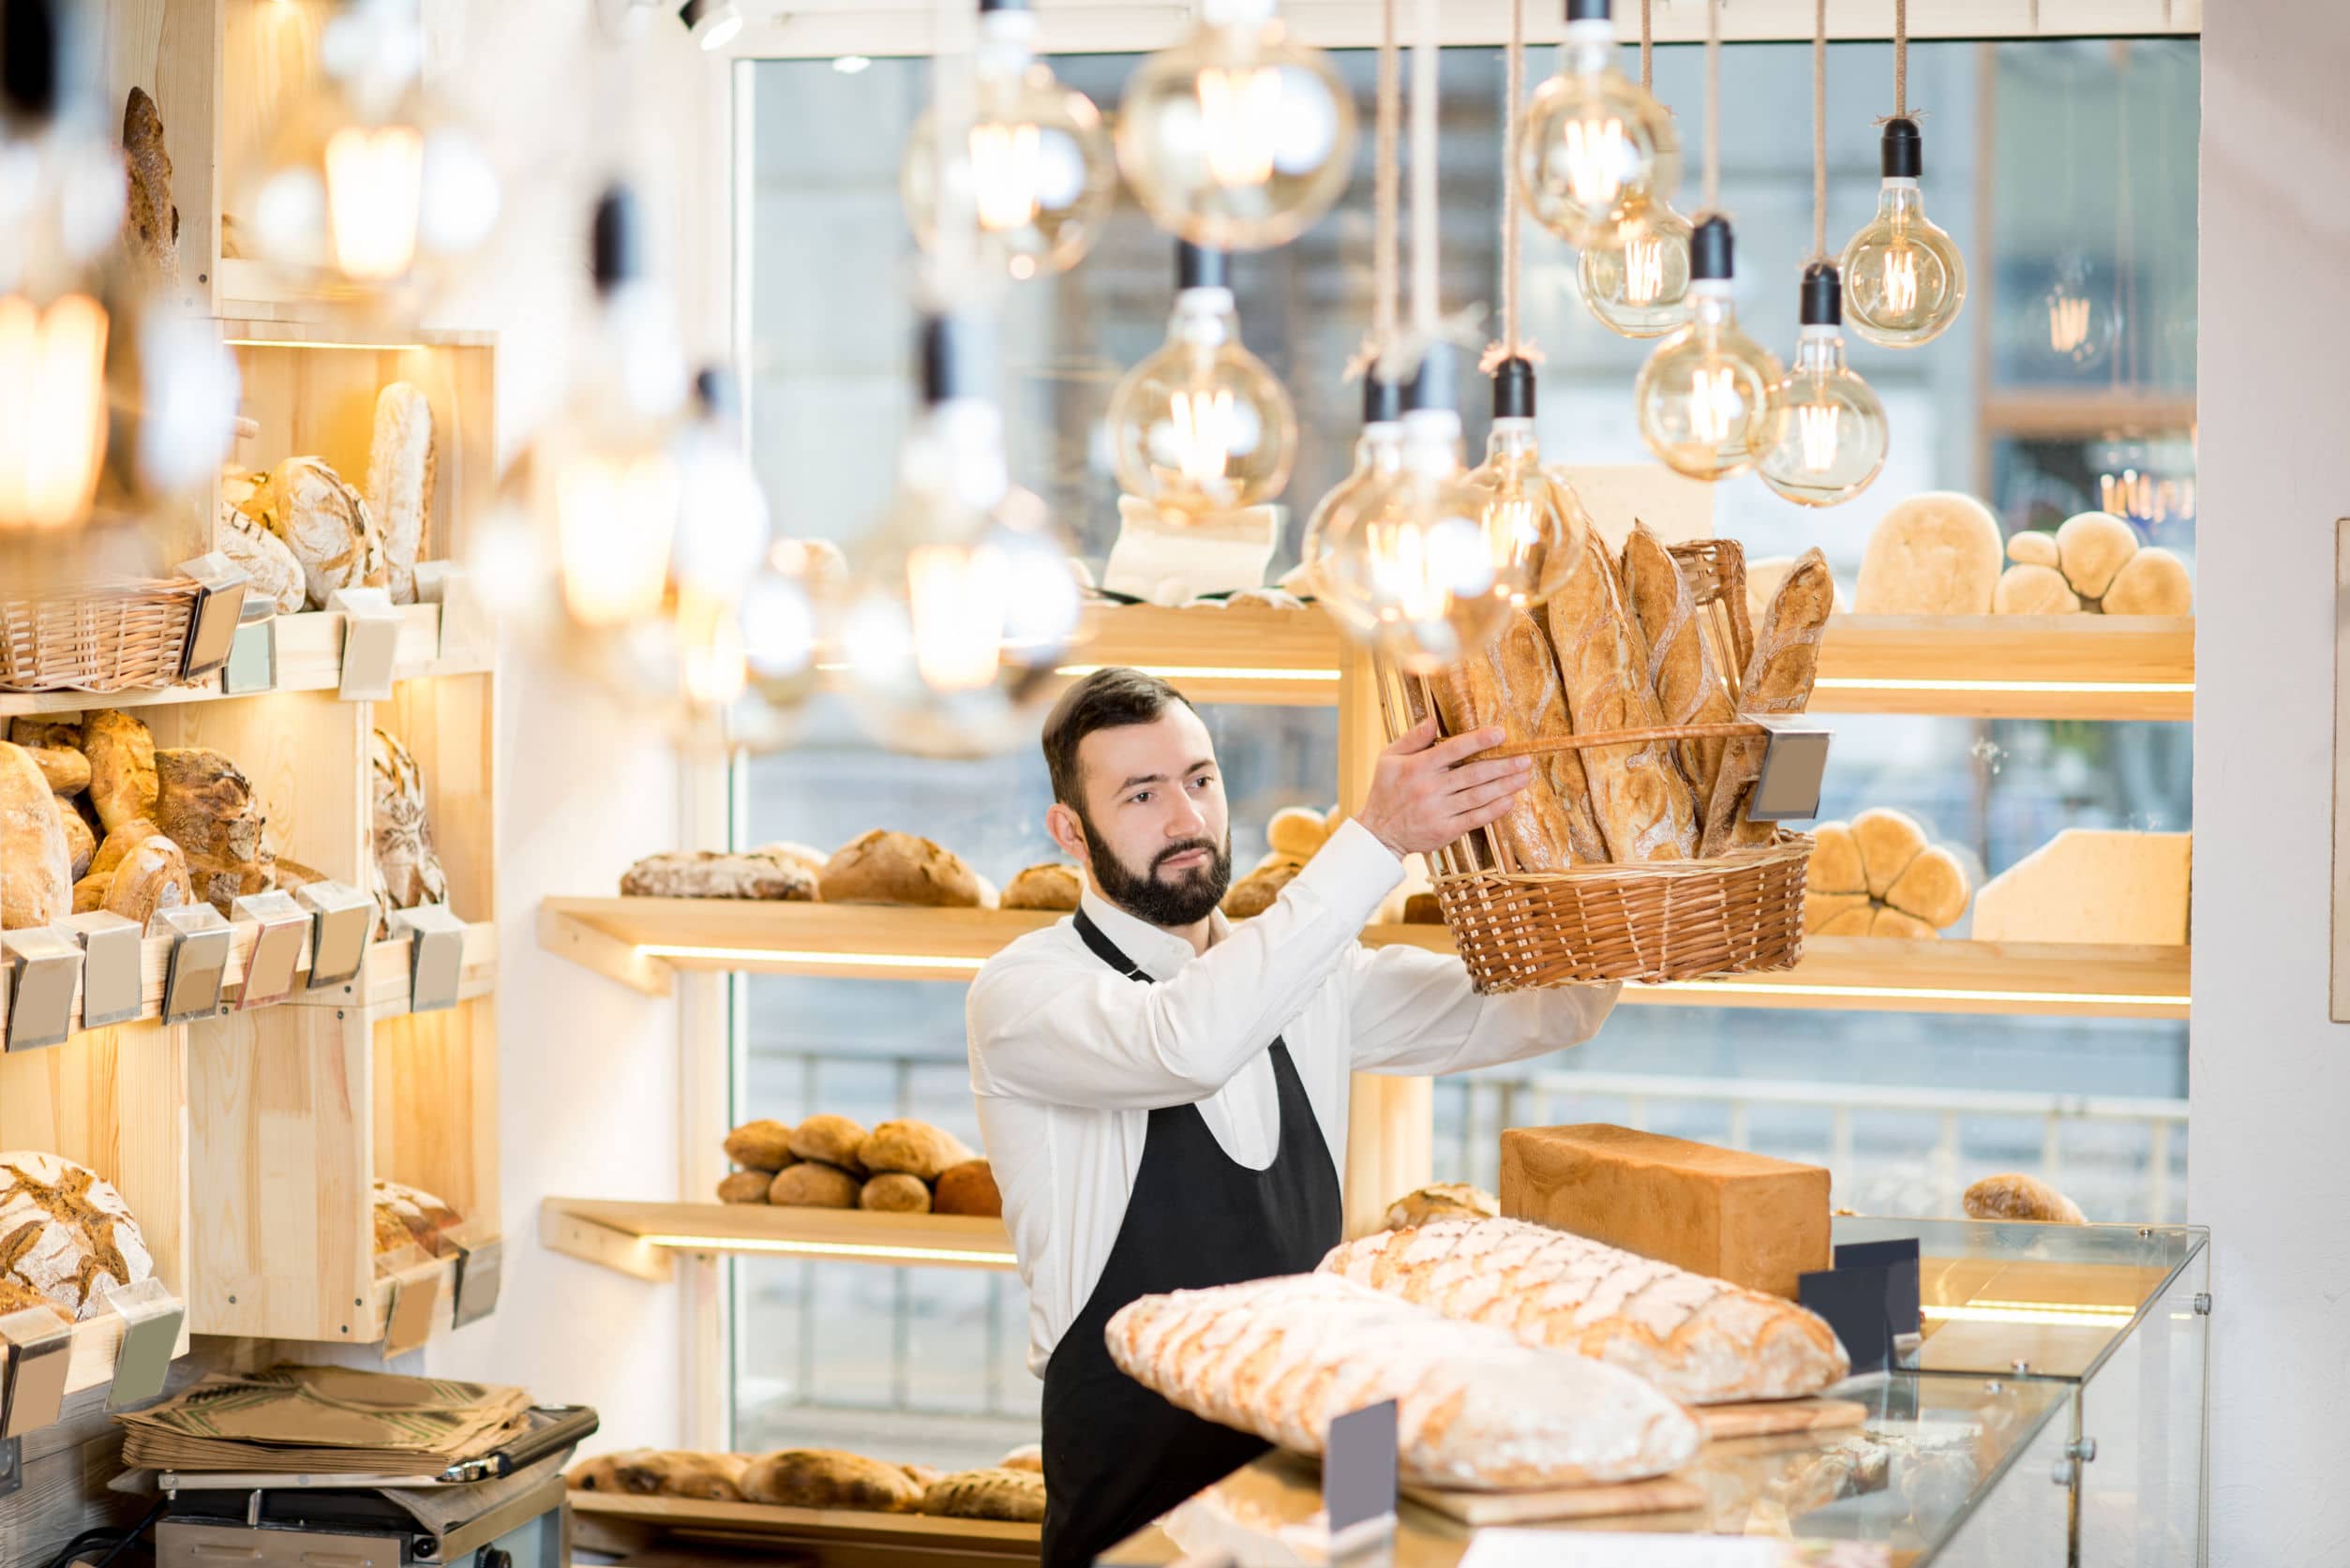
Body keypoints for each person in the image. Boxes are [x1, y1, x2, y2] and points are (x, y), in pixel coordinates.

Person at [965, 666, 1621, 1565]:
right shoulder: (1022, 994)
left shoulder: (1303, 977)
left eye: (1199, 780)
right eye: (1141, 794)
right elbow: (1187, 1043)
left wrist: (1630, 853)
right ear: (1069, 831)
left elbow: (1547, 1009)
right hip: (1147, 1497)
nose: (1185, 819)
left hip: (1333, 1468)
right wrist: (1378, 837)